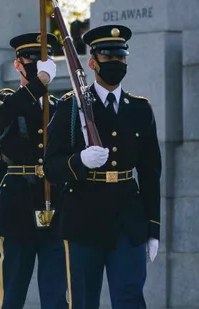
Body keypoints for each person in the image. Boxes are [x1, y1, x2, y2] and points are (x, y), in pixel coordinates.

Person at [44, 24, 162, 309]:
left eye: (120, 58)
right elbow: (51, 166)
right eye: (108, 58)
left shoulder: (140, 109)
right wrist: (79, 161)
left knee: (131, 298)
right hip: (83, 219)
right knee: (84, 301)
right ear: (92, 62)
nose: (116, 64)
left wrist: (153, 229)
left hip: (128, 220)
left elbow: (150, 173)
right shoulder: (71, 107)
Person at [0, 33, 65, 309]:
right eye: (29, 58)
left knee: (56, 295)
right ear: (17, 64)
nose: (34, 64)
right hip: (18, 207)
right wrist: (39, 84)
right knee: (13, 292)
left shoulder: (58, 107)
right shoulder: (2, 101)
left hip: (54, 205)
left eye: (41, 59)